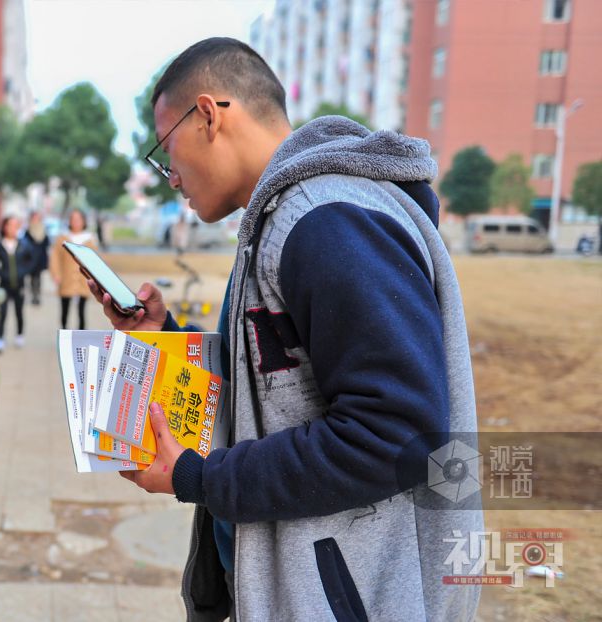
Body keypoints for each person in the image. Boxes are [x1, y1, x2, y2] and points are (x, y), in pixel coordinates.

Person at [88, 38, 482, 621]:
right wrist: (165, 334)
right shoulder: (283, 220)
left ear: (208, 114)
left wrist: (197, 476)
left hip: (354, 597)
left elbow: (396, 436)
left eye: (163, 149)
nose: (169, 176)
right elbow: (267, 387)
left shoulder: (327, 221)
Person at [0, 215, 35, 353]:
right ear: (4, 227)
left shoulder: (24, 245)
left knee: (19, 311)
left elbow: (31, 261)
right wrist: (2, 273)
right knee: (1, 313)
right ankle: (0, 339)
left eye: (16, 225)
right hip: (4, 285)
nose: (13, 228)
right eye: (10, 225)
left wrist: (23, 272)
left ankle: (19, 335)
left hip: (19, 285)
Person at [49, 209, 96, 330]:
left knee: (81, 310)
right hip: (66, 278)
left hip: (84, 280)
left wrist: (94, 278)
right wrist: (56, 274)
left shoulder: (89, 239)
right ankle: (64, 333)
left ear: (83, 221)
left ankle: (81, 336)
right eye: (73, 219)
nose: (75, 222)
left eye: (78, 219)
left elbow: (95, 261)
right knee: (65, 309)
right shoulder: (62, 238)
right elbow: (55, 257)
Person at [23, 210, 50, 305]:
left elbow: (47, 243)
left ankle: (37, 294)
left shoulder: (43, 230)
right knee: (32, 277)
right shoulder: (28, 230)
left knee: (37, 277)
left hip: (40, 258)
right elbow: (24, 244)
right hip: (30, 258)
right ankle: (34, 294)